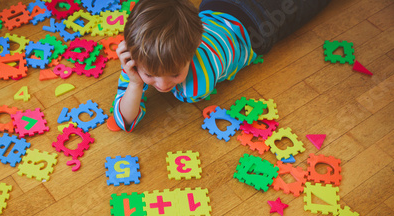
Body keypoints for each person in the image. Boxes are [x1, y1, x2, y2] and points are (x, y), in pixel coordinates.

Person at [112, 0, 331, 132]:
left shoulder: (195, 88)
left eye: (174, 74)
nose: (162, 84)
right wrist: (134, 82)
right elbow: (124, 120)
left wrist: (138, 80)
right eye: (150, 74)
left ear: (196, 46)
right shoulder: (140, 57)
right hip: (218, 6)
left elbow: (127, 119)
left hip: (261, 22)